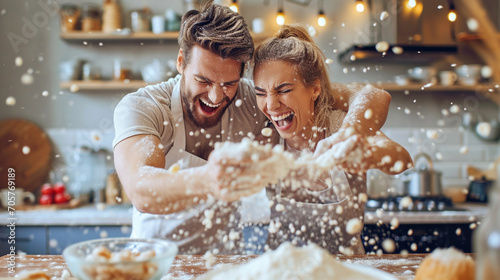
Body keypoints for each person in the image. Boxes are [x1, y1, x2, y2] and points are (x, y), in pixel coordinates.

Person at [113, 1, 393, 255]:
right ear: (180, 63)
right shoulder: (143, 107)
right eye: (203, 80)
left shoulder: (253, 98)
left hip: (225, 266)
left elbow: (371, 96)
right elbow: (141, 189)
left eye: (228, 83)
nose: (216, 96)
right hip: (157, 263)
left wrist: (349, 133)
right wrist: (212, 177)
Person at [252, 24, 413, 254]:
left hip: (347, 272)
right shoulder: (265, 140)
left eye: (284, 90)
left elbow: (402, 159)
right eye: (261, 93)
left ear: (315, 89)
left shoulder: (340, 125)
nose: (271, 105)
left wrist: (365, 154)